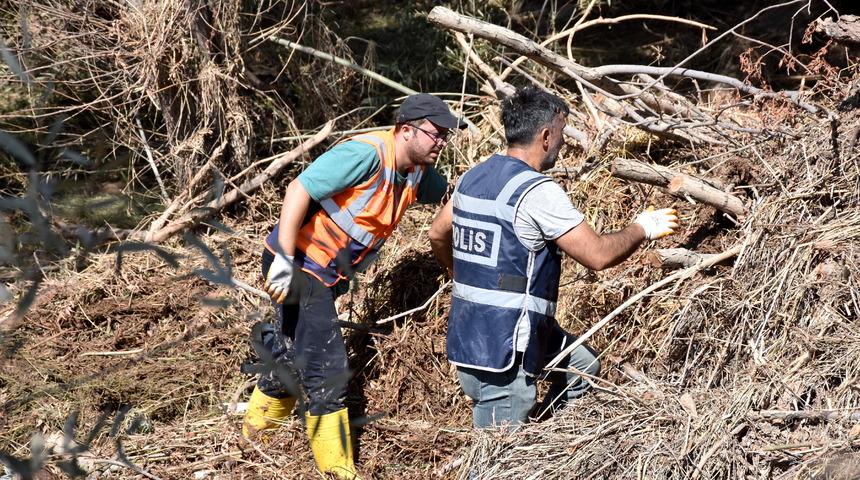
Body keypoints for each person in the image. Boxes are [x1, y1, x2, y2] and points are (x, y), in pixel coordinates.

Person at [428, 87, 679, 429]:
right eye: (561, 133)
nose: (563, 142)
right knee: (497, 452)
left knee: (582, 367)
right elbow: (597, 255)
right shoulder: (537, 192)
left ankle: (543, 439)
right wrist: (642, 228)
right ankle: (522, 447)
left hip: (474, 331)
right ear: (546, 136)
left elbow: (437, 233)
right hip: (505, 350)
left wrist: (460, 272)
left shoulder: (474, 177)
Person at [244, 93, 465, 478]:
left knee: (293, 351)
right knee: (327, 366)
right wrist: (283, 260)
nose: (442, 142)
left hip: (324, 274)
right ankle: (337, 469)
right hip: (299, 263)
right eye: (436, 133)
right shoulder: (366, 154)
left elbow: (447, 192)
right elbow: (299, 189)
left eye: (446, 135)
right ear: (406, 130)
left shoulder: (417, 170)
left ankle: (255, 436)